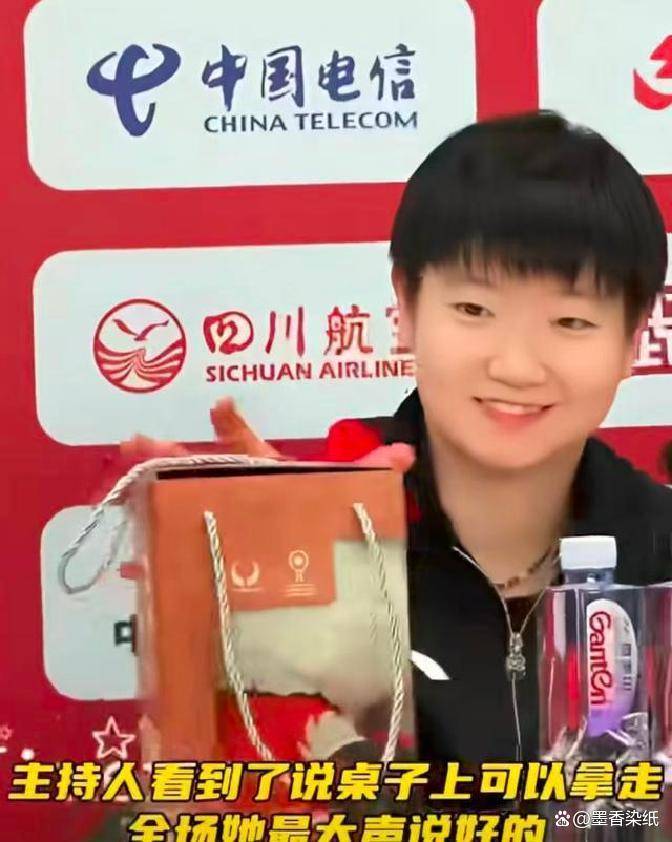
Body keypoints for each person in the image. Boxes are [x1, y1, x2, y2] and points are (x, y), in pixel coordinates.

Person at [120, 110, 672, 773]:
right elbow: (220, 787)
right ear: (405, 307)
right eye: (474, 310)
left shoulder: (661, 547)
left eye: (571, 321)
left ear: (634, 338)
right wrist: (251, 595)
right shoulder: (319, 548)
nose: (517, 366)